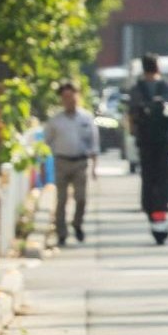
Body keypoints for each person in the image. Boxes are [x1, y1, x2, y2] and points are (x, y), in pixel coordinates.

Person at [127, 55, 168, 245]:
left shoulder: (136, 90)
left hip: (146, 144)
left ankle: (151, 213)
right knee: (165, 180)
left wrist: (136, 134)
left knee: (148, 180)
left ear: (143, 68)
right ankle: (162, 213)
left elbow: (132, 117)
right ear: (158, 66)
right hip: (165, 144)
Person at [43, 80, 99, 246]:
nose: (69, 100)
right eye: (65, 97)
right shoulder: (55, 121)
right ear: (61, 99)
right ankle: (62, 232)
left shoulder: (86, 117)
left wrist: (95, 165)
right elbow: (46, 144)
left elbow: (93, 142)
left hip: (80, 162)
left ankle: (77, 224)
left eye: (72, 96)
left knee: (80, 198)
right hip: (61, 162)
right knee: (61, 200)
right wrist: (43, 164)